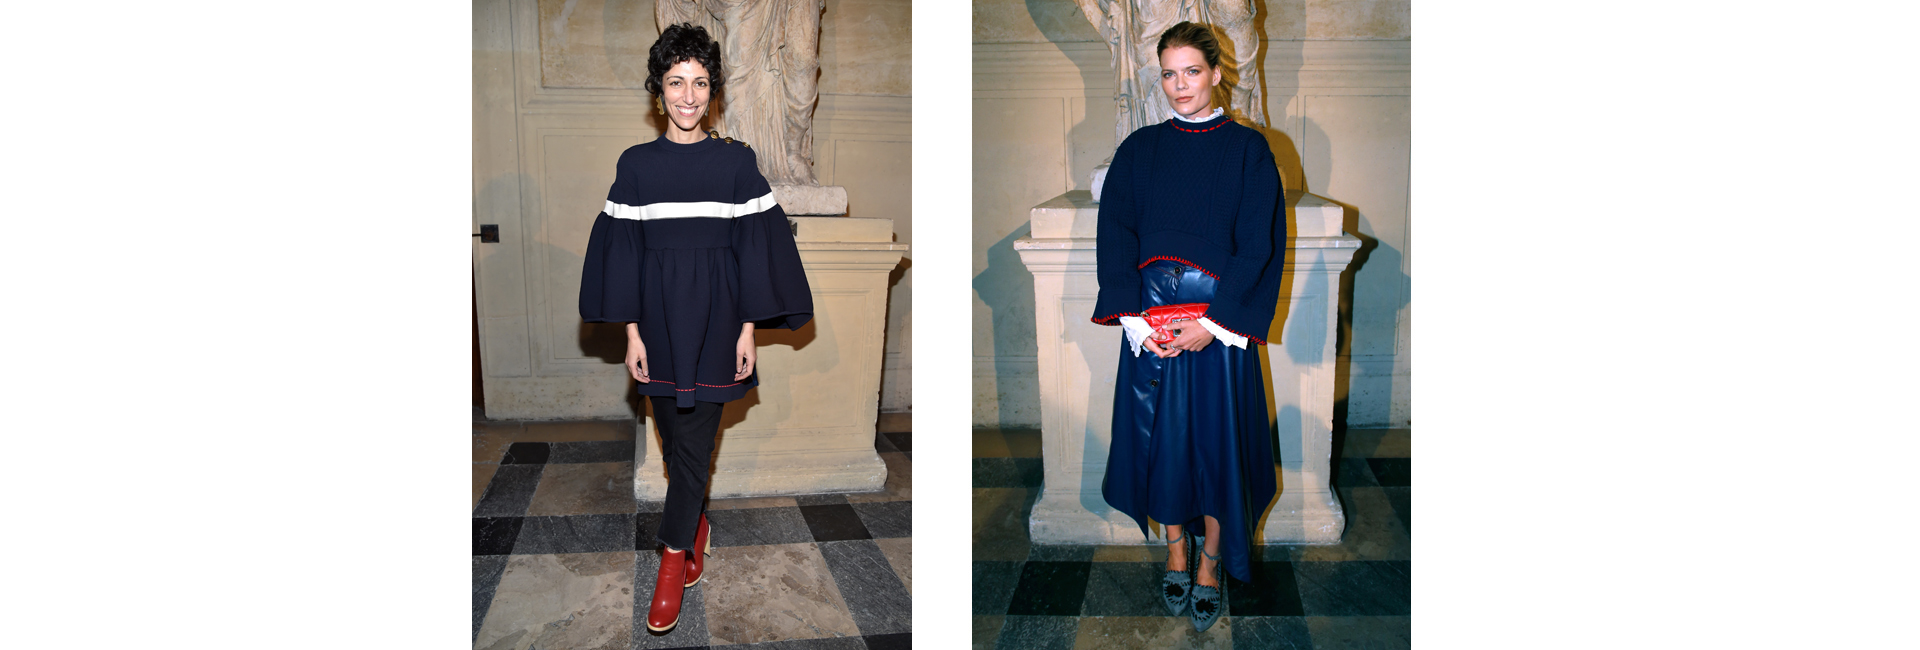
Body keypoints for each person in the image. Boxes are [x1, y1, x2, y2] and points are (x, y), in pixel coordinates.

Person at [577, 22, 812, 634]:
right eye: (676, 82)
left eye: (700, 82)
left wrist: (747, 330)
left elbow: (755, 252)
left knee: (694, 447)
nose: (688, 95)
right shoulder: (636, 166)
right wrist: (632, 335)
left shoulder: (736, 163)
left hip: (717, 324)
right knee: (674, 442)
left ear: (713, 91)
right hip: (656, 327)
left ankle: (672, 556)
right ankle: (697, 523)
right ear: (659, 90)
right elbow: (624, 256)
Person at [1091, 20, 1286, 633]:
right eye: (1170, 74)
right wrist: (1133, 319)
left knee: (1218, 448)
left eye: (1192, 72)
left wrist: (1217, 323)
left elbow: (1259, 245)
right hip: (1150, 324)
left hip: (1216, 327)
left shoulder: (1249, 150)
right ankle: (1175, 548)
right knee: (1163, 443)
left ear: (1216, 74)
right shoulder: (1139, 150)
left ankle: (1210, 560)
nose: (1180, 85)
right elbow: (1115, 233)